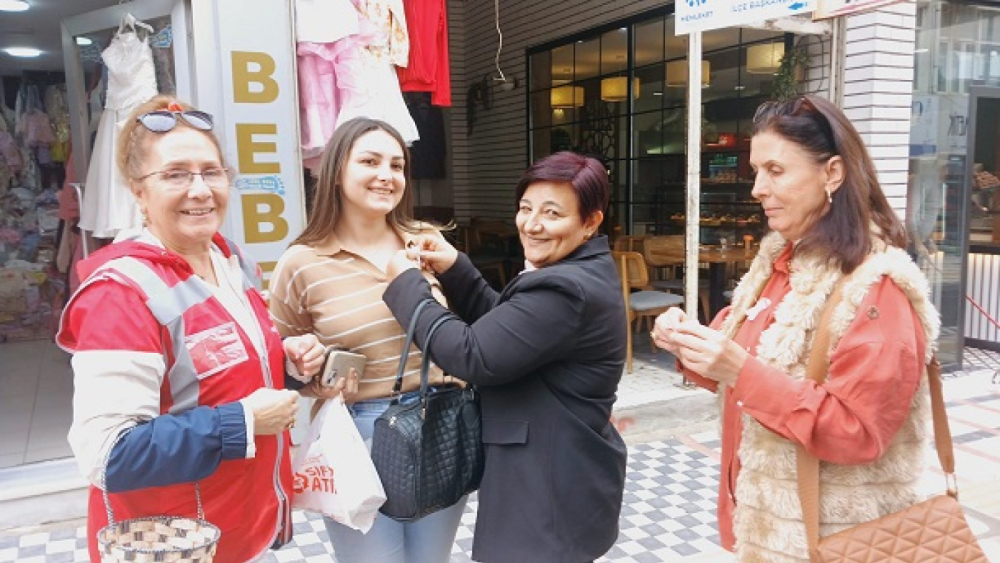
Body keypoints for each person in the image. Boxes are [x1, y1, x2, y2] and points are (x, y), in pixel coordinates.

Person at [651, 95, 940, 563]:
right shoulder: (778, 262)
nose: (757, 189)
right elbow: (736, 360)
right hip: (765, 526)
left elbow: (860, 431)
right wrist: (687, 343)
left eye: (776, 171)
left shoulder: (876, 287)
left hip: (833, 538)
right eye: (756, 171)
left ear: (832, 173)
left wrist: (738, 369)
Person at [57, 95, 332, 563]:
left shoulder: (230, 260)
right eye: (176, 174)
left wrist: (285, 364)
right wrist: (243, 421)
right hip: (174, 546)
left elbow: (207, 375)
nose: (201, 190)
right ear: (138, 191)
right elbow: (107, 455)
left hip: (245, 532)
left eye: (211, 172)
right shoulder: (119, 293)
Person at [382, 151, 629, 563]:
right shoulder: (581, 271)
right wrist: (456, 267)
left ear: (590, 222)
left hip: (548, 490)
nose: (532, 224)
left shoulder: (566, 289)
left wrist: (407, 285)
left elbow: (473, 354)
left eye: (552, 213)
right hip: (562, 475)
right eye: (526, 208)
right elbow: (511, 331)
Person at [268, 117, 465, 563]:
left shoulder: (426, 243)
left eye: (397, 165)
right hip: (358, 434)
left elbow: (468, 329)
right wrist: (311, 374)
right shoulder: (301, 262)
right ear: (337, 171)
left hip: (441, 422)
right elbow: (277, 365)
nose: (386, 175)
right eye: (370, 162)